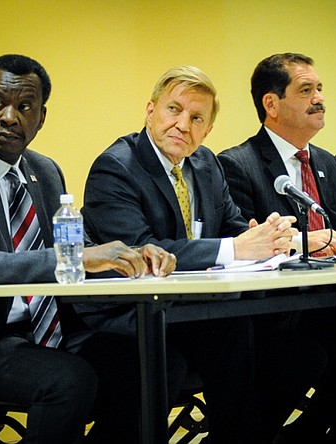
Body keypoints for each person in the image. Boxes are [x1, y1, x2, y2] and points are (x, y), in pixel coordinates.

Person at [0, 54, 178, 444]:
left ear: (41, 117)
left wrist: (132, 254)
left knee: (159, 364)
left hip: (50, 328)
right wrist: (80, 257)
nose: (10, 116)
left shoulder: (44, 171)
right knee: (70, 380)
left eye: (24, 106)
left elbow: (73, 246)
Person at [81, 65, 298, 443]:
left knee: (280, 342)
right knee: (218, 337)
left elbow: (231, 225)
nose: (183, 125)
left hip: (185, 312)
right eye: (174, 110)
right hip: (125, 317)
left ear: (208, 130)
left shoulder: (206, 163)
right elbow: (140, 252)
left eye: (197, 118)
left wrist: (267, 237)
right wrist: (236, 248)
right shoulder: (116, 167)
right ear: (150, 111)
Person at [217, 52, 336, 442]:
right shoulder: (237, 164)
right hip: (277, 310)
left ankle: (311, 434)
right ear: (271, 104)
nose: (319, 98)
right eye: (306, 90)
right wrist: (303, 243)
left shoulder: (326, 163)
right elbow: (240, 239)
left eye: (319, 88)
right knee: (320, 352)